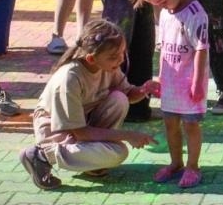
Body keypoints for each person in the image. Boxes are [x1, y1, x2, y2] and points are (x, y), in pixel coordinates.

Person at [19, 20, 152, 191]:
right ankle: (42, 155)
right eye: (113, 56)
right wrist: (127, 135)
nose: (120, 59)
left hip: (84, 122)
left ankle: (92, 164)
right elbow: (80, 133)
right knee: (119, 152)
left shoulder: (107, 66)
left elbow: (127, 94)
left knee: (119, 99)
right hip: (57, 129)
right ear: (91, 58)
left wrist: (143, 90)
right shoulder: (69, 79)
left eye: (122, 53)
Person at [137, 0, 212, 188]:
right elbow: (164, 47)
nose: (162, 6)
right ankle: (176, 162)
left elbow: (201, 49)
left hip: (189, 81)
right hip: (171, 81)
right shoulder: (167, 11)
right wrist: (160, 78)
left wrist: (198, 83)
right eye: (156, 3)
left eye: (163, 0)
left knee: (190, 125)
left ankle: (193, 166)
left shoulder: (195, 14)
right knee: (170, 123)